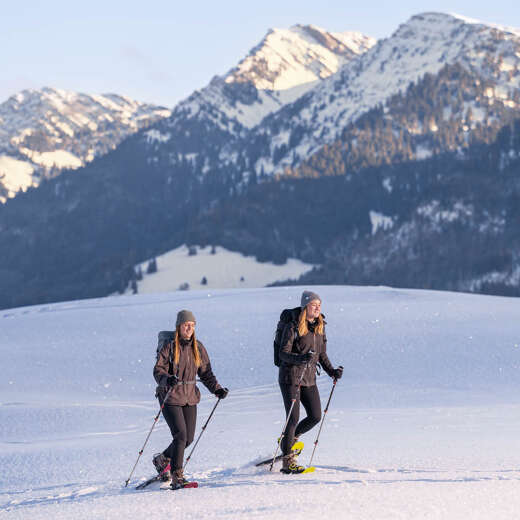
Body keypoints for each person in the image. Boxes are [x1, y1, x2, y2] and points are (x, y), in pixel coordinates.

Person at [153, 309, 228, 489]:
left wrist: (217, 389)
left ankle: (162, 459)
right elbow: (158, 370)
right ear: (179, 326)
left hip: (189, 397)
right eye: (186, 325)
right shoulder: (169, 347)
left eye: (192, 325)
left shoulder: (198, 347)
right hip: (170, 395)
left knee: (188, 439)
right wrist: (167, 379)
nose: (189, 328)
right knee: (180, 435)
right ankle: (177, 475)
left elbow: (206, 373)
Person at [278, 290, 343, 474]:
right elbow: (283, 353)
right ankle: (287, 460)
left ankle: (289, 440)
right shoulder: (293, 326)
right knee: (293, 418)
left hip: (308, 378)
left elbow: (321, 354)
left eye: (319, 305)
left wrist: (332, 371)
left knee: (315, 416)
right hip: (290, 377)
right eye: (314, 305)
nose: (317, 308)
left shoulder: (319, 327)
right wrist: (302, 358)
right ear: (305, 306)